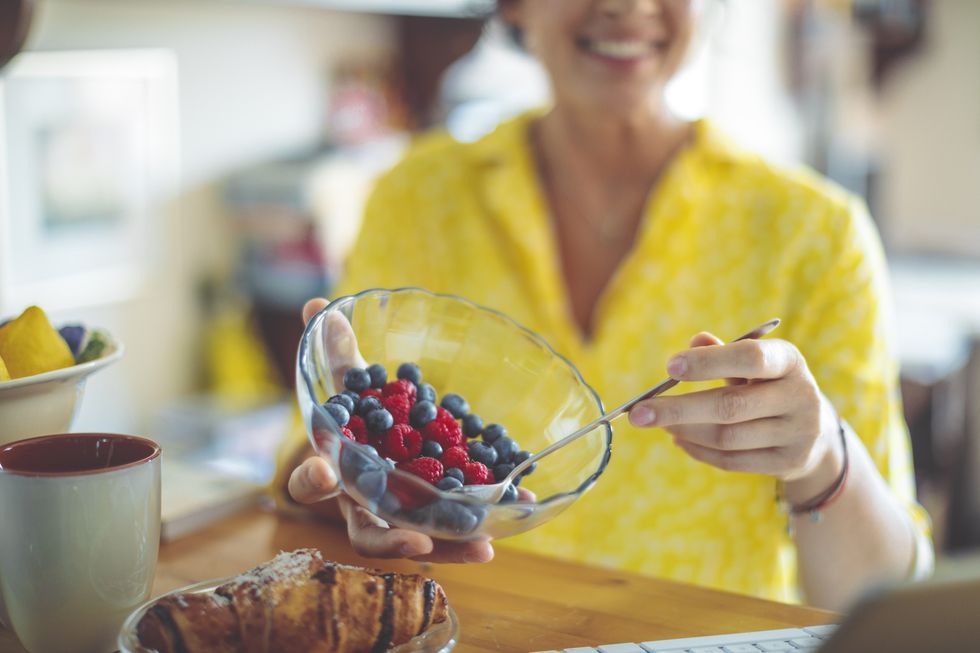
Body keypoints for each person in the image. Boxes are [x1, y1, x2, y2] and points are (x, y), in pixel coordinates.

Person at [278, 0, 932, 611]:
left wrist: (820, 455)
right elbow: (302, 472)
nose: (627, 4)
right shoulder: (415, 195)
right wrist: (343, 485)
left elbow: (880, 601)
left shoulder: (817, 234)